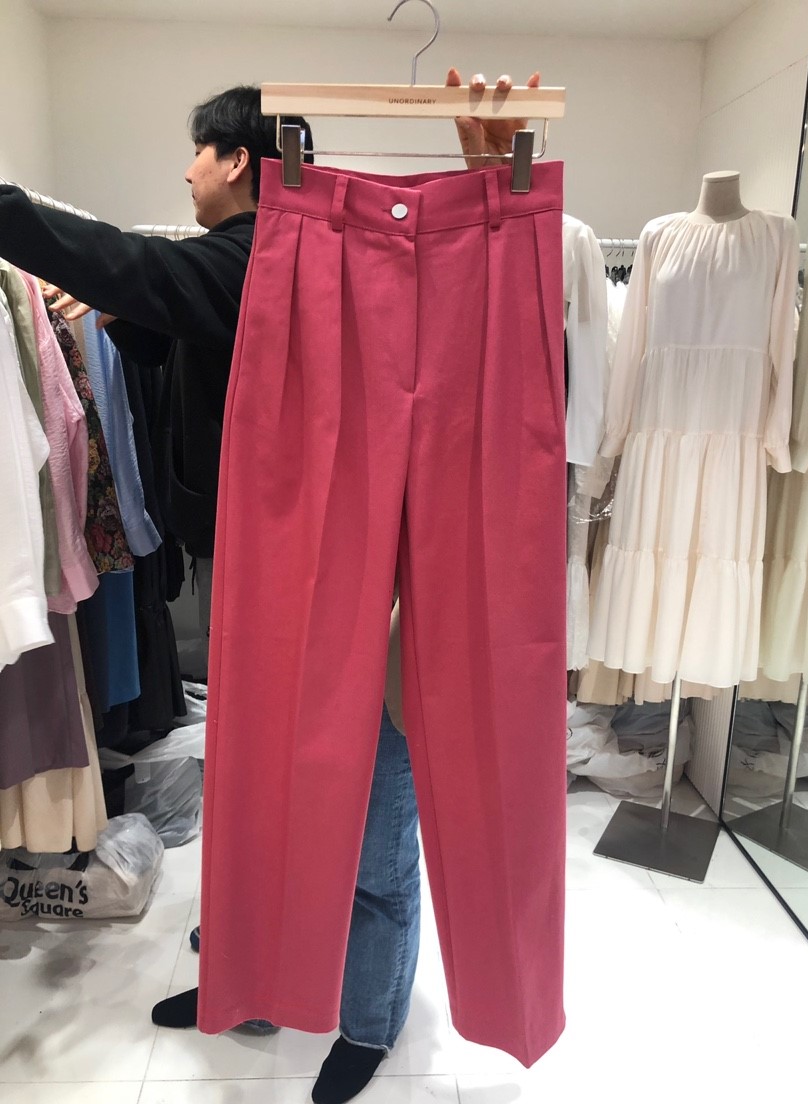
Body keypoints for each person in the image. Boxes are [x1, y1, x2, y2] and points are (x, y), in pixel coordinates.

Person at [0, 70, 539, 1104]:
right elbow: (177, 321)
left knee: (374, 823)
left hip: (361, 596)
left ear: (240, 160)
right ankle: (252, 986)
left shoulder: (267, 259)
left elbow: (142, 267)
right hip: (267, 582)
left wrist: (22, 219)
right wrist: (122, 316)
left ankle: (368, 1021)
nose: (187, 174)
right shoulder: (253, 265)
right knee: (262, 808)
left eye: (197, 155)